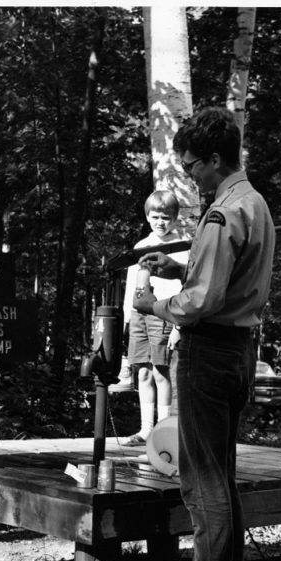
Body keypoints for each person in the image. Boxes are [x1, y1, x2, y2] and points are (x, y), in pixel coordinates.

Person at [132, 107, 276, 561]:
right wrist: (179, 267)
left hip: (207, 349)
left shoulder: (221, 213)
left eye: (192, 166)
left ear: (215, 159)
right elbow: (225, 278)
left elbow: (200, 302)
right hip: (238, 348)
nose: (189, 176)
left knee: (199, 476)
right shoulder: (252, 202)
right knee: (221, 471)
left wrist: (154, 306)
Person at [118, 190, 189, 445]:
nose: (161, 222)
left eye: (166, 217)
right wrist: (127, 320)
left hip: (164, 313)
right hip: (139, 315)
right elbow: (131, 288)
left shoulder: (182, 247)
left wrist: (179, 325)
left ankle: (163, 431)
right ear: (148, 217)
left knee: (161, 372)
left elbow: (186, 288)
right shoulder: (140, 247)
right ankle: (145, 429)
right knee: (143, 373)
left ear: (175, 218)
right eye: (156, 216)